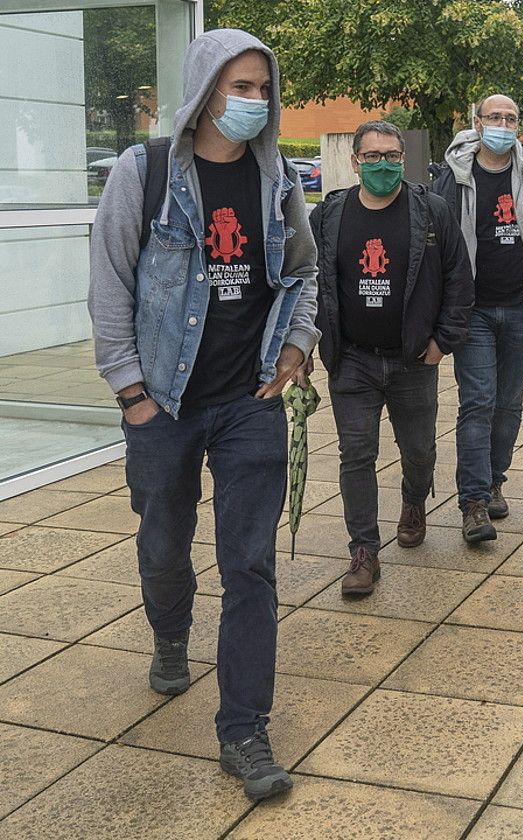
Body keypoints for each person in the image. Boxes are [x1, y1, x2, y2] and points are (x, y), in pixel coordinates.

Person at [88, 28, 317, 801]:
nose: (253, 101)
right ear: (203, 89)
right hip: (164, 401)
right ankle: (169, 634)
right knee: (162, 546)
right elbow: (110, 283)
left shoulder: (277, 175)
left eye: (262, 89)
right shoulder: (142, 172)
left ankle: (245, 731)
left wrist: (296, 346)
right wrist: (132, 393)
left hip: (248, 400)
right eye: (239, 86)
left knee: (250, 567)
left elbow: (304, 273)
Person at [309, 120, 472, 596]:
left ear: (404, 159)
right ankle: (363, 551)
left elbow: (459, 280)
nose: (383, 164)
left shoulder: (431, 211)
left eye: (393, 156)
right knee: (355, 454)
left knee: (418, 450)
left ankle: (414, 501)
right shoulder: (330, 215)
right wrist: (309, 343)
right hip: (353, 360)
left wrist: (444, 340)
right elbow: (313, 283)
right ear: (355, 161)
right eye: (373, 156)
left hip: (413, 358)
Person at [432, 94, 523, 543]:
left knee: (509, 403)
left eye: (510, 118)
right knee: (477, 402)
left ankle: (495, 480)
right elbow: (435, 236)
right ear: (477, 123)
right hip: (472, 310)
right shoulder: (452, 175)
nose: (502, 123)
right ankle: (473, 503)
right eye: (494, 117)